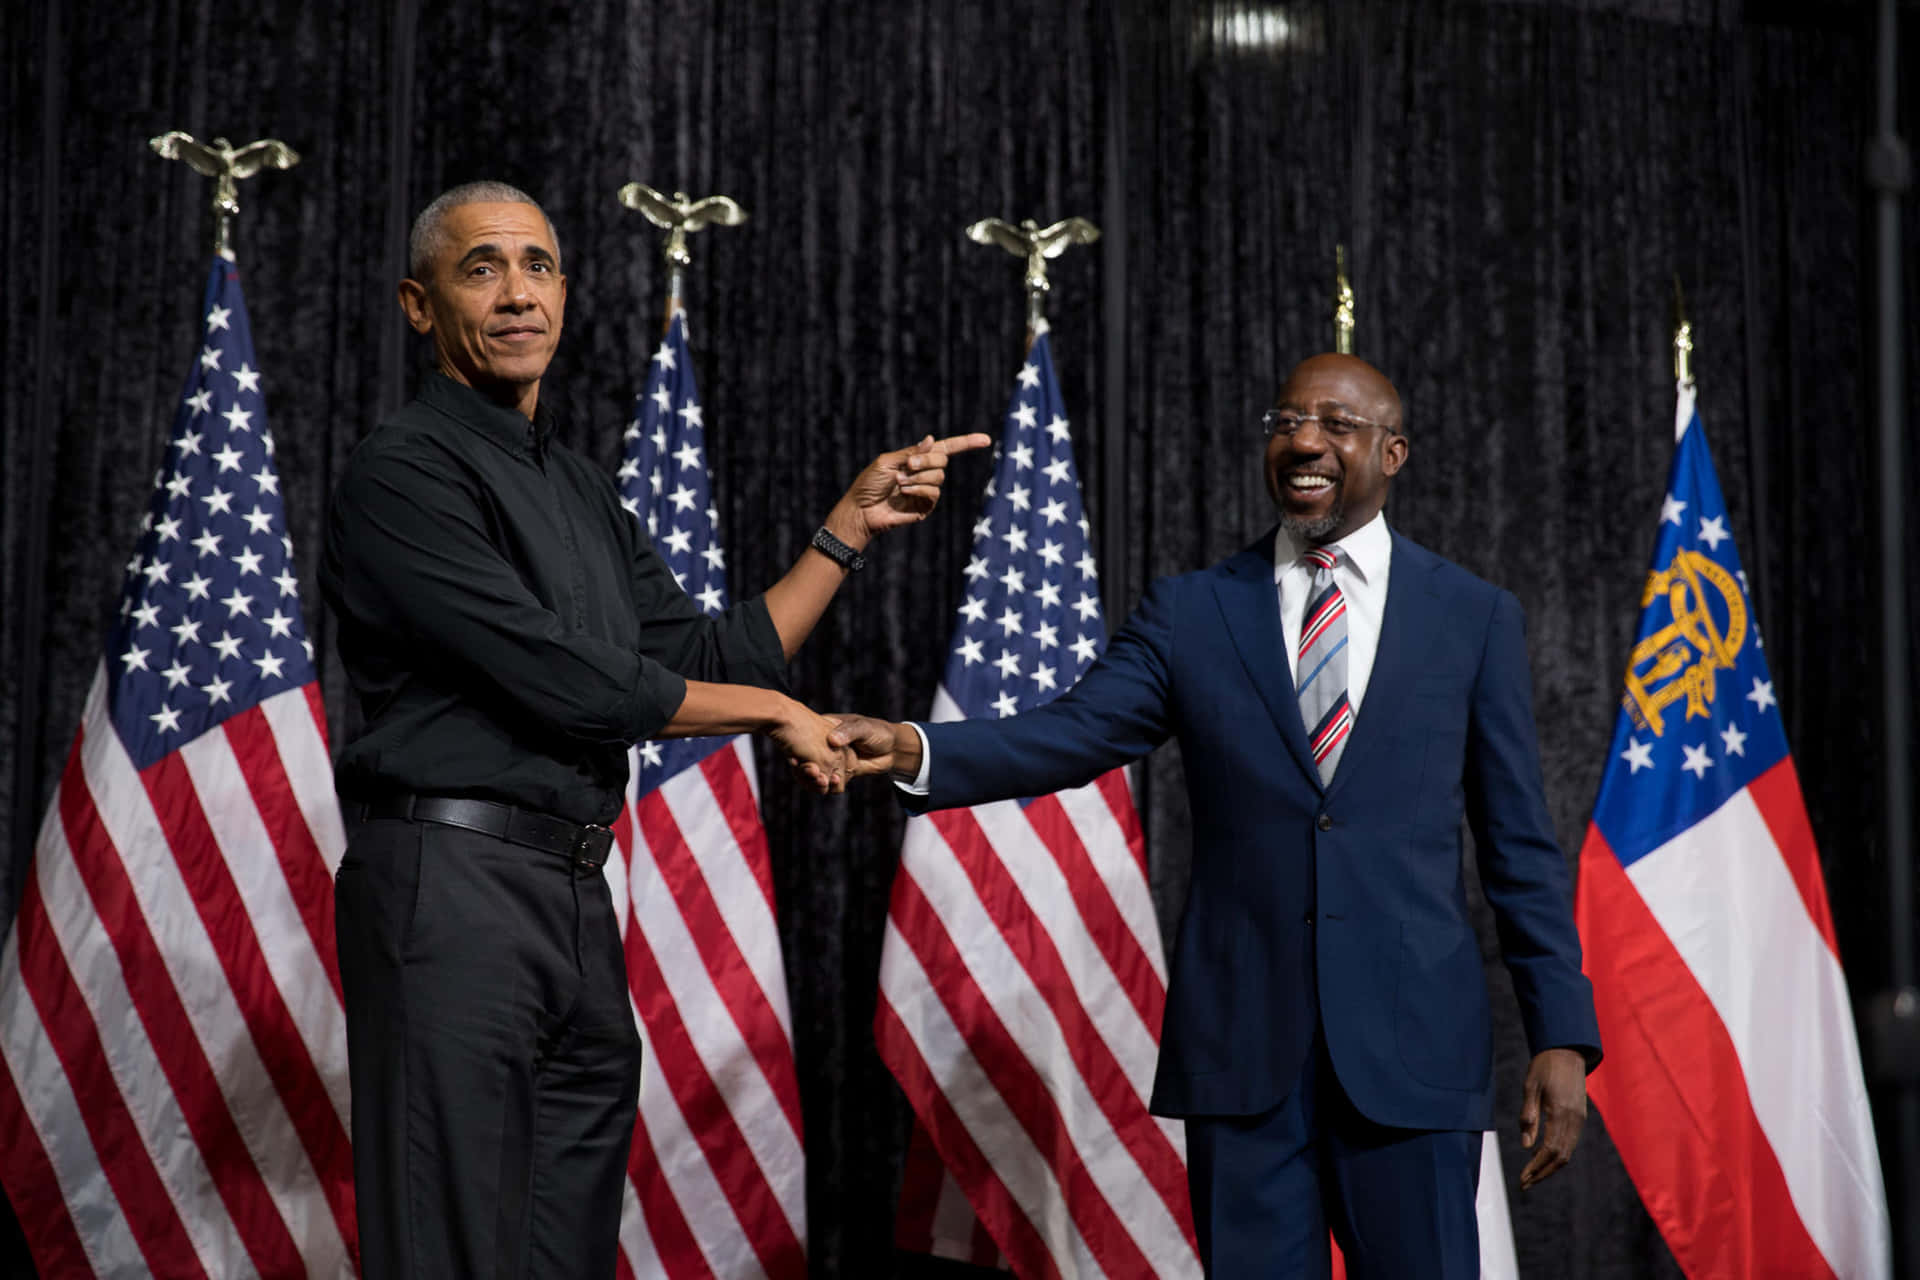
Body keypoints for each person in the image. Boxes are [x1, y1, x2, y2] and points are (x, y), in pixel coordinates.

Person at [320, 180, 987, 1279]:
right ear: (419, 304)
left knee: (562, 1252)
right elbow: (569, 680)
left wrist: (845, 529)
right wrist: (777, 715)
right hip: (452, 887)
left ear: (567, 294)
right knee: (452, 1249)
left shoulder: (580, 488)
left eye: (537, 266)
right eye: (481, 268)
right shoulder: (404, 471)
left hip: (577, 897)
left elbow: (715, 659)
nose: (518, 292)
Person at [830, 354, 1601, 1277]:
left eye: (1336, 423)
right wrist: (920, 748)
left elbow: (1520, 846)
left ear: (1394, 452)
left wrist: (1560, 1032)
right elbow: (1075, 733)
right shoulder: (1192, 610)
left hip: (1413, 1062)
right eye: (1285, 421)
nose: (1304, 440)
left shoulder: (1474, 617)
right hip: (1245, 1063)